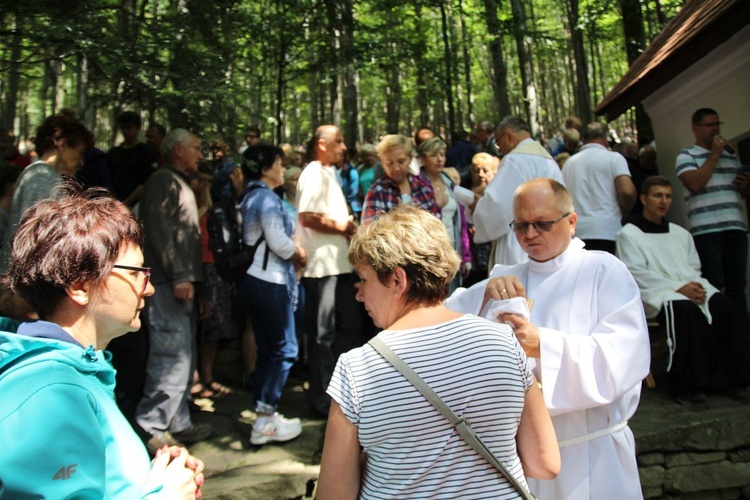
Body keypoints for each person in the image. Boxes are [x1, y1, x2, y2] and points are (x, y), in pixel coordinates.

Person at [317, 205, 559, 499]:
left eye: (364, 280)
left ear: (397, 280)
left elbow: (334, 495)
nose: (358, 294)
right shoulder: (504, 342)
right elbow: (546, 463)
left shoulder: (357, 369)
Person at [447, 178, 650, 499]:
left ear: (571, 222)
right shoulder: (504, 277)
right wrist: (481, 293)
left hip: (593, 453)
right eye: (521, 225)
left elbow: (623, 358)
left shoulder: (603, 270)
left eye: (542, 224)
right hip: (523, 455)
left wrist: (543, 345)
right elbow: (441, 323)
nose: (530, 235)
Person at [0, 181, 204, 498]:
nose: (147, 288)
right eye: (136, 273)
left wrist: (156, 477)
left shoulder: (80, 370)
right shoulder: (53, 391)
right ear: (80, 286)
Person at [616, 176, 750, 404]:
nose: (664, 201)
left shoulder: (680, 233)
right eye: (658, 195)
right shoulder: (629, 234)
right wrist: (680, 288)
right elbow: (635, 273)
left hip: (689, 287)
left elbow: (693, 267)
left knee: (725, 306)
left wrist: (693, 287)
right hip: (655, 292)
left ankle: (728, 380)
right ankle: (687, 386)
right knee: (683, 310)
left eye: (668, 196)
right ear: (644, 199)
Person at [135, 129, 212, 450]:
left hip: (180, 283)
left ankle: (178, 421)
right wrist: (180, 275)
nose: (201, 154)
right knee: (170, 353)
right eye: (196, 148)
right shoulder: (162, 182)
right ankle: (152, 426)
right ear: (178, 149)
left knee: (183, 353)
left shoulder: (176, 181)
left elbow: (184, 231)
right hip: (168, 284)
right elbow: (161, 231)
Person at [238, 144, 307, 444]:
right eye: (279, 163)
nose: (282, 169)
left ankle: (263, 412)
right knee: (285, 348)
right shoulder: (265, 198)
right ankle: (265, 421)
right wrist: (299, 253)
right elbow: (278, 241)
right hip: (270, 279)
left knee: (268, 349)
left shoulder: (249, 195)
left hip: (252, 279)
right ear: (265, 168)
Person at [296, 125, 364, 416]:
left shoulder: (328, 173)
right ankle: (321, 400)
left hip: (339, 267)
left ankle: (341, 394)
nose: (343, 146)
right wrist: (345, 227)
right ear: (321, 144)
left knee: (347, 330)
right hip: (322, 268)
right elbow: (308, 217)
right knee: (323, 336)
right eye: (338, 141)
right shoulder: (312, 172)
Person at [676, 108, 748, 316]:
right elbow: (694, 184)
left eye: (718, 124)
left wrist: (745, 185)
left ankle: (740, 336)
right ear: (695, 128)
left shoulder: (730, 156)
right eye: (710, 125)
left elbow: (736, 193)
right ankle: (719, 337)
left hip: (735, 225)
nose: (715, 130)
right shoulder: (686, 155)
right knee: (714, 285)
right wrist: (715, 154)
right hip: (707, 231)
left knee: (737, 285)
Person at [0, 113, 91, 271]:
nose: (81, 161)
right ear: (62, 145)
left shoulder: (41, 174)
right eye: (80, 152)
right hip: (24, 282)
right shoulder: (41, 177)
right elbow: (37, 241)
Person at [471, 116, 563, 269]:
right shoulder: (547, 159)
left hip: (521, 240)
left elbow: (498, 206)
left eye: (498, 142)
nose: (499, 149)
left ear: (509, 136)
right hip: (548, 237)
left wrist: (479, 206)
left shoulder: (515, 160)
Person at [561, 121, 636, 254]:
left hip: (578, 233)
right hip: (609, 230)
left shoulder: (569, 163)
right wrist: (625, 212)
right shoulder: (614, 159)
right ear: (606, 138)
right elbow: (627, 191)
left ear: (583, 139)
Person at [418, 136, 471, 291]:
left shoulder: (448, 183)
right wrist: (435, 206)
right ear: (422, 159)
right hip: (429, 255)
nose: (439, 159)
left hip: (452, 253)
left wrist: (466, 255)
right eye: (434, 155)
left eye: (442, 154)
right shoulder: (416, 184)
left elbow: (461, 223)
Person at [362, 134, 439, 224]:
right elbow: (368, 232)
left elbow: (436, 223)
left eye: (401, 161)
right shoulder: (377, 192)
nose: (396, 168)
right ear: (382, 163)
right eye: (390, 163)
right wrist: (397, 216)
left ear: (410, 159)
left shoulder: (423, 188)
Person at [107, 111, 157, 208]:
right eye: (123, 127)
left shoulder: (147, 152)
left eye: (129, 127)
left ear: (138, 128)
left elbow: (146, 182)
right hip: (115, 203)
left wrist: (127, 202)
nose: (126, 131)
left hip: (138, 204)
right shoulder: (113, 153)